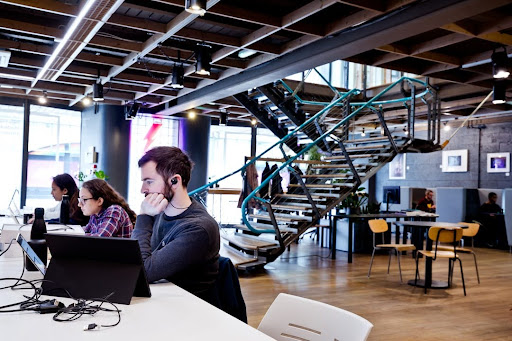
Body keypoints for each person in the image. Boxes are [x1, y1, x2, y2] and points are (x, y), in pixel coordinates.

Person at [132, 146, 220, 303]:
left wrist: (143, 216)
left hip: (186, 311)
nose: (142, 189)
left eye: (149, 182)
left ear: (175, 181)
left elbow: (142, 271)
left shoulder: (198, 229)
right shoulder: (159, 211)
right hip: (160, 299)